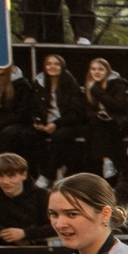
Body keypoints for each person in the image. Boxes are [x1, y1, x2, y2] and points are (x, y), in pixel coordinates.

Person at [32, 52, 89, 181]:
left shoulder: (70, 84)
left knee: (60, 136)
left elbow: (76, 113)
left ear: (62, 67)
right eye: (49, 64)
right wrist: (37, 121)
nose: (52, 66)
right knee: (30, 135)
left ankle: (47, 175)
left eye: (56, 64)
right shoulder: (39, 84)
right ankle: (40, 173)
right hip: (46, 124)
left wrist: (56, 123)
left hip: (67, 124)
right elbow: (34, 107)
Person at [0, 152, 53, 245]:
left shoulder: (41, 195)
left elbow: (54, 226)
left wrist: (25, 234)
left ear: (24, 175)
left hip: (35, 249)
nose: (5, 181)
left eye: (11, 176)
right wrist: (7, 235)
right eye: (0, 176)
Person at [83, 56, 128, 176]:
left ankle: (107, 163)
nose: (96, 72)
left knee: (98, 127)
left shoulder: (118, 84)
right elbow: (86, 110)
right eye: (93, 69)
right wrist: (97, 114)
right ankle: (107, 163)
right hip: (98, 123)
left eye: (100, 69)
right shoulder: (89, 85)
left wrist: (97, 90)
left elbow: (119, 106)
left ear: (107, 71)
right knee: (94, 125)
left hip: (118, 123)